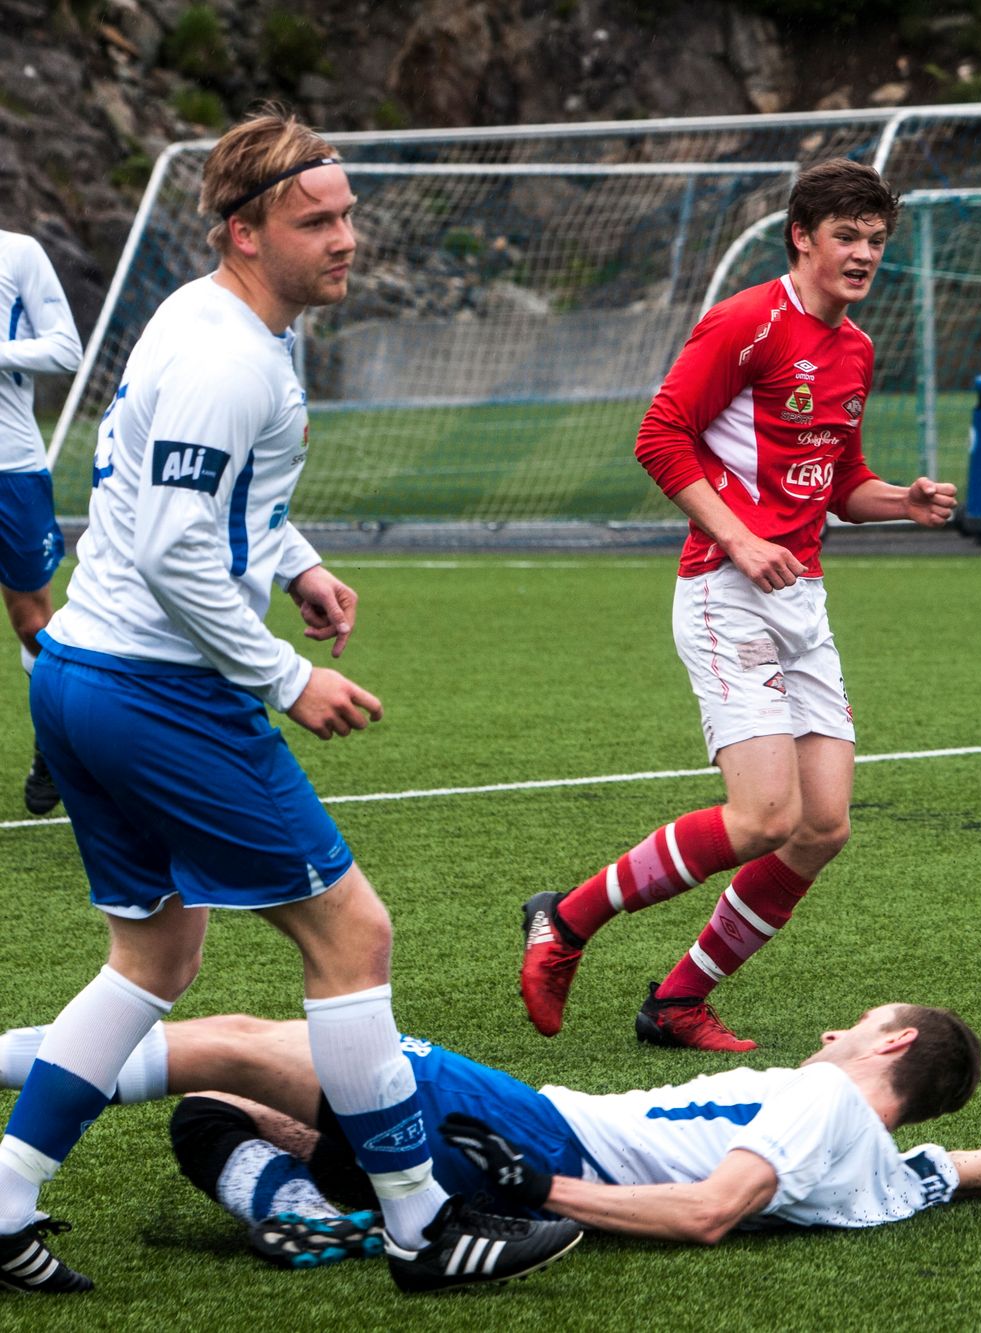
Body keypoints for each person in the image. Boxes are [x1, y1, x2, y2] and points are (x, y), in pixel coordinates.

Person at [0, 111, 580, 1296]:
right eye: (317, 220)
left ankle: (3, 1193)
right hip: (157, 691)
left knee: (154, 957)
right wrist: (285, 674)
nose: (347, 238)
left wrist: (297, 559)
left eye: (349, 213)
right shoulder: (227, 356)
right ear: (244, 230)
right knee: (350, 934)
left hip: (82, 677)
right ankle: (423, 1224)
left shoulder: (211, 318)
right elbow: (171, 545)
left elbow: (210, 496)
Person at [520, 159, 958, 1052]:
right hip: (725, 592)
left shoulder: (857, 349)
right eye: (847, 237)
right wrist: (738, 537)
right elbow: (659, 436)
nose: (864, 255)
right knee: (764, 817)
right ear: (803, 236)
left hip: (801, 598)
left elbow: (840, 487)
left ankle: (676, 1001)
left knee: (822, 826)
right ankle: (564, 921)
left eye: (876, 241)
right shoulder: (748, 321)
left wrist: (898, 502)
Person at [0, 1003, 981, 1262]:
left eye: (854, 1024)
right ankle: (311, 1214)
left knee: (235, 1044)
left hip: (532, 1136)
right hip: (521, 1143)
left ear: (892, 1040)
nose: (830, 1029)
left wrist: (528, 1189)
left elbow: (706, 1211)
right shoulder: (890, 1177)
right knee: (219, 1110)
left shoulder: (825, 1102)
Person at [0, 226, 81, 815]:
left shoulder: (17, 252)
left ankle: (56, 745)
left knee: (32, 624)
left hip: (11, 467)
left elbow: (65, 350)